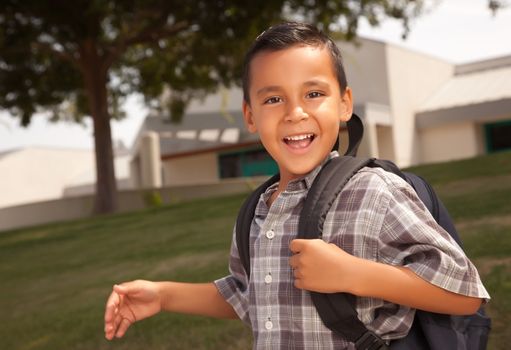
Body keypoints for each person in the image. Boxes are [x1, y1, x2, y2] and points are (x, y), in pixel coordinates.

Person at [104, 22, 489, 348]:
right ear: (250, 115)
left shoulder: (374, 191)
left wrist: (352, 273)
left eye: (314, 93)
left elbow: (465, 292)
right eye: (273, 98)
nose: (295, 113)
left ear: (344, 103)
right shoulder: (258, 209)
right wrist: (164, 295)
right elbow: (248, 292)